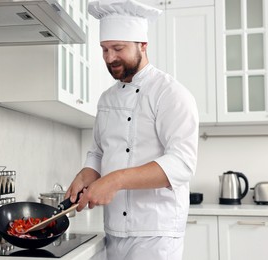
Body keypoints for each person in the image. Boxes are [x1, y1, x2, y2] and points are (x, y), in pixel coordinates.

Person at [65, 0, 199, 259]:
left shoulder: (170, 94)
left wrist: (114, 180)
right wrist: (88, 172)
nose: (110, 58)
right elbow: (99, 151)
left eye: (118, 48)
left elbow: (182, 163)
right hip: (114, 229)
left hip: (156, 232)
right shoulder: (106, 98)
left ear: (143, 45)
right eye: (104, 49)